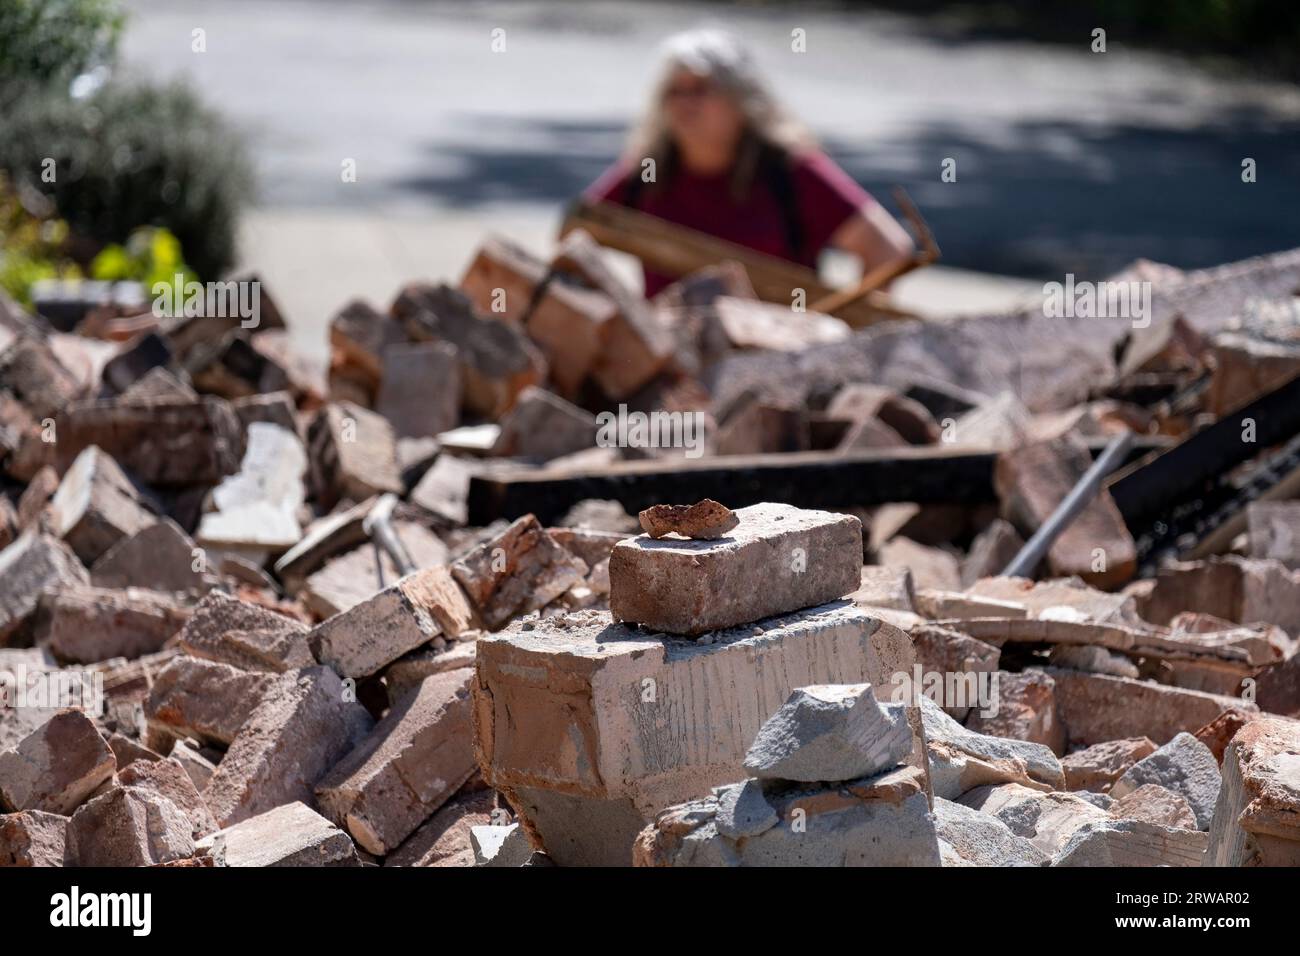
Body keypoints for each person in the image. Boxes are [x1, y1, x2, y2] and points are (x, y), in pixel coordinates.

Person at [583, 27, 915, 298]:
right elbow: (577, 239)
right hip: (669, 368)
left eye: (700, 89)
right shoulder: (649, 172)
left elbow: (887, 251)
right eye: (675, 91)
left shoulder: (790, 173)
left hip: (779, 361)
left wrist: (846, 327)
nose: (685, 103)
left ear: (740, 100)